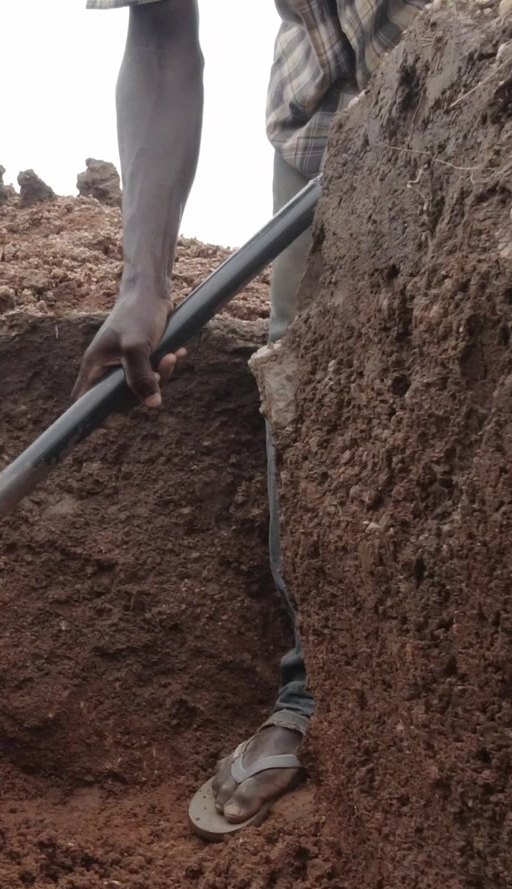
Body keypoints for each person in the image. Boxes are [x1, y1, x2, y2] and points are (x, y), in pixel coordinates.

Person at [76, 0, 427, 837]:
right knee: (300, 376)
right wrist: (144, 283)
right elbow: (159, 34)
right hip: (321, 128)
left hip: (489, 69)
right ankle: (313, 692)